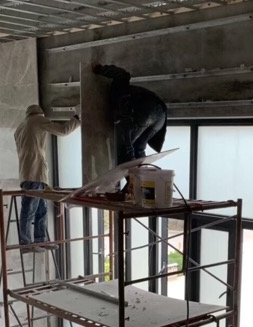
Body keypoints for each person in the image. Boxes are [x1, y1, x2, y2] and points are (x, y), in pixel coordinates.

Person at [14, 104, 79, 248]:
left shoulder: (20, 127)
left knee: (40, 210)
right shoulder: (37, 120)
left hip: (30, 173)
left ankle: (39, 240)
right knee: (30, 209)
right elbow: (63, 131)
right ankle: (27, 243)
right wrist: (77, 118)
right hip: (35, 173)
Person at [93, 64, 167, 165]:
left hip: (146, 107)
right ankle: (141, 172)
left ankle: (133, 173)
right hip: (160, 116)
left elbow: (122, 75)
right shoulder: (117, 112)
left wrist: (100, 69)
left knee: (125, 150)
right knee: (138, 148)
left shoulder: (117, 91)